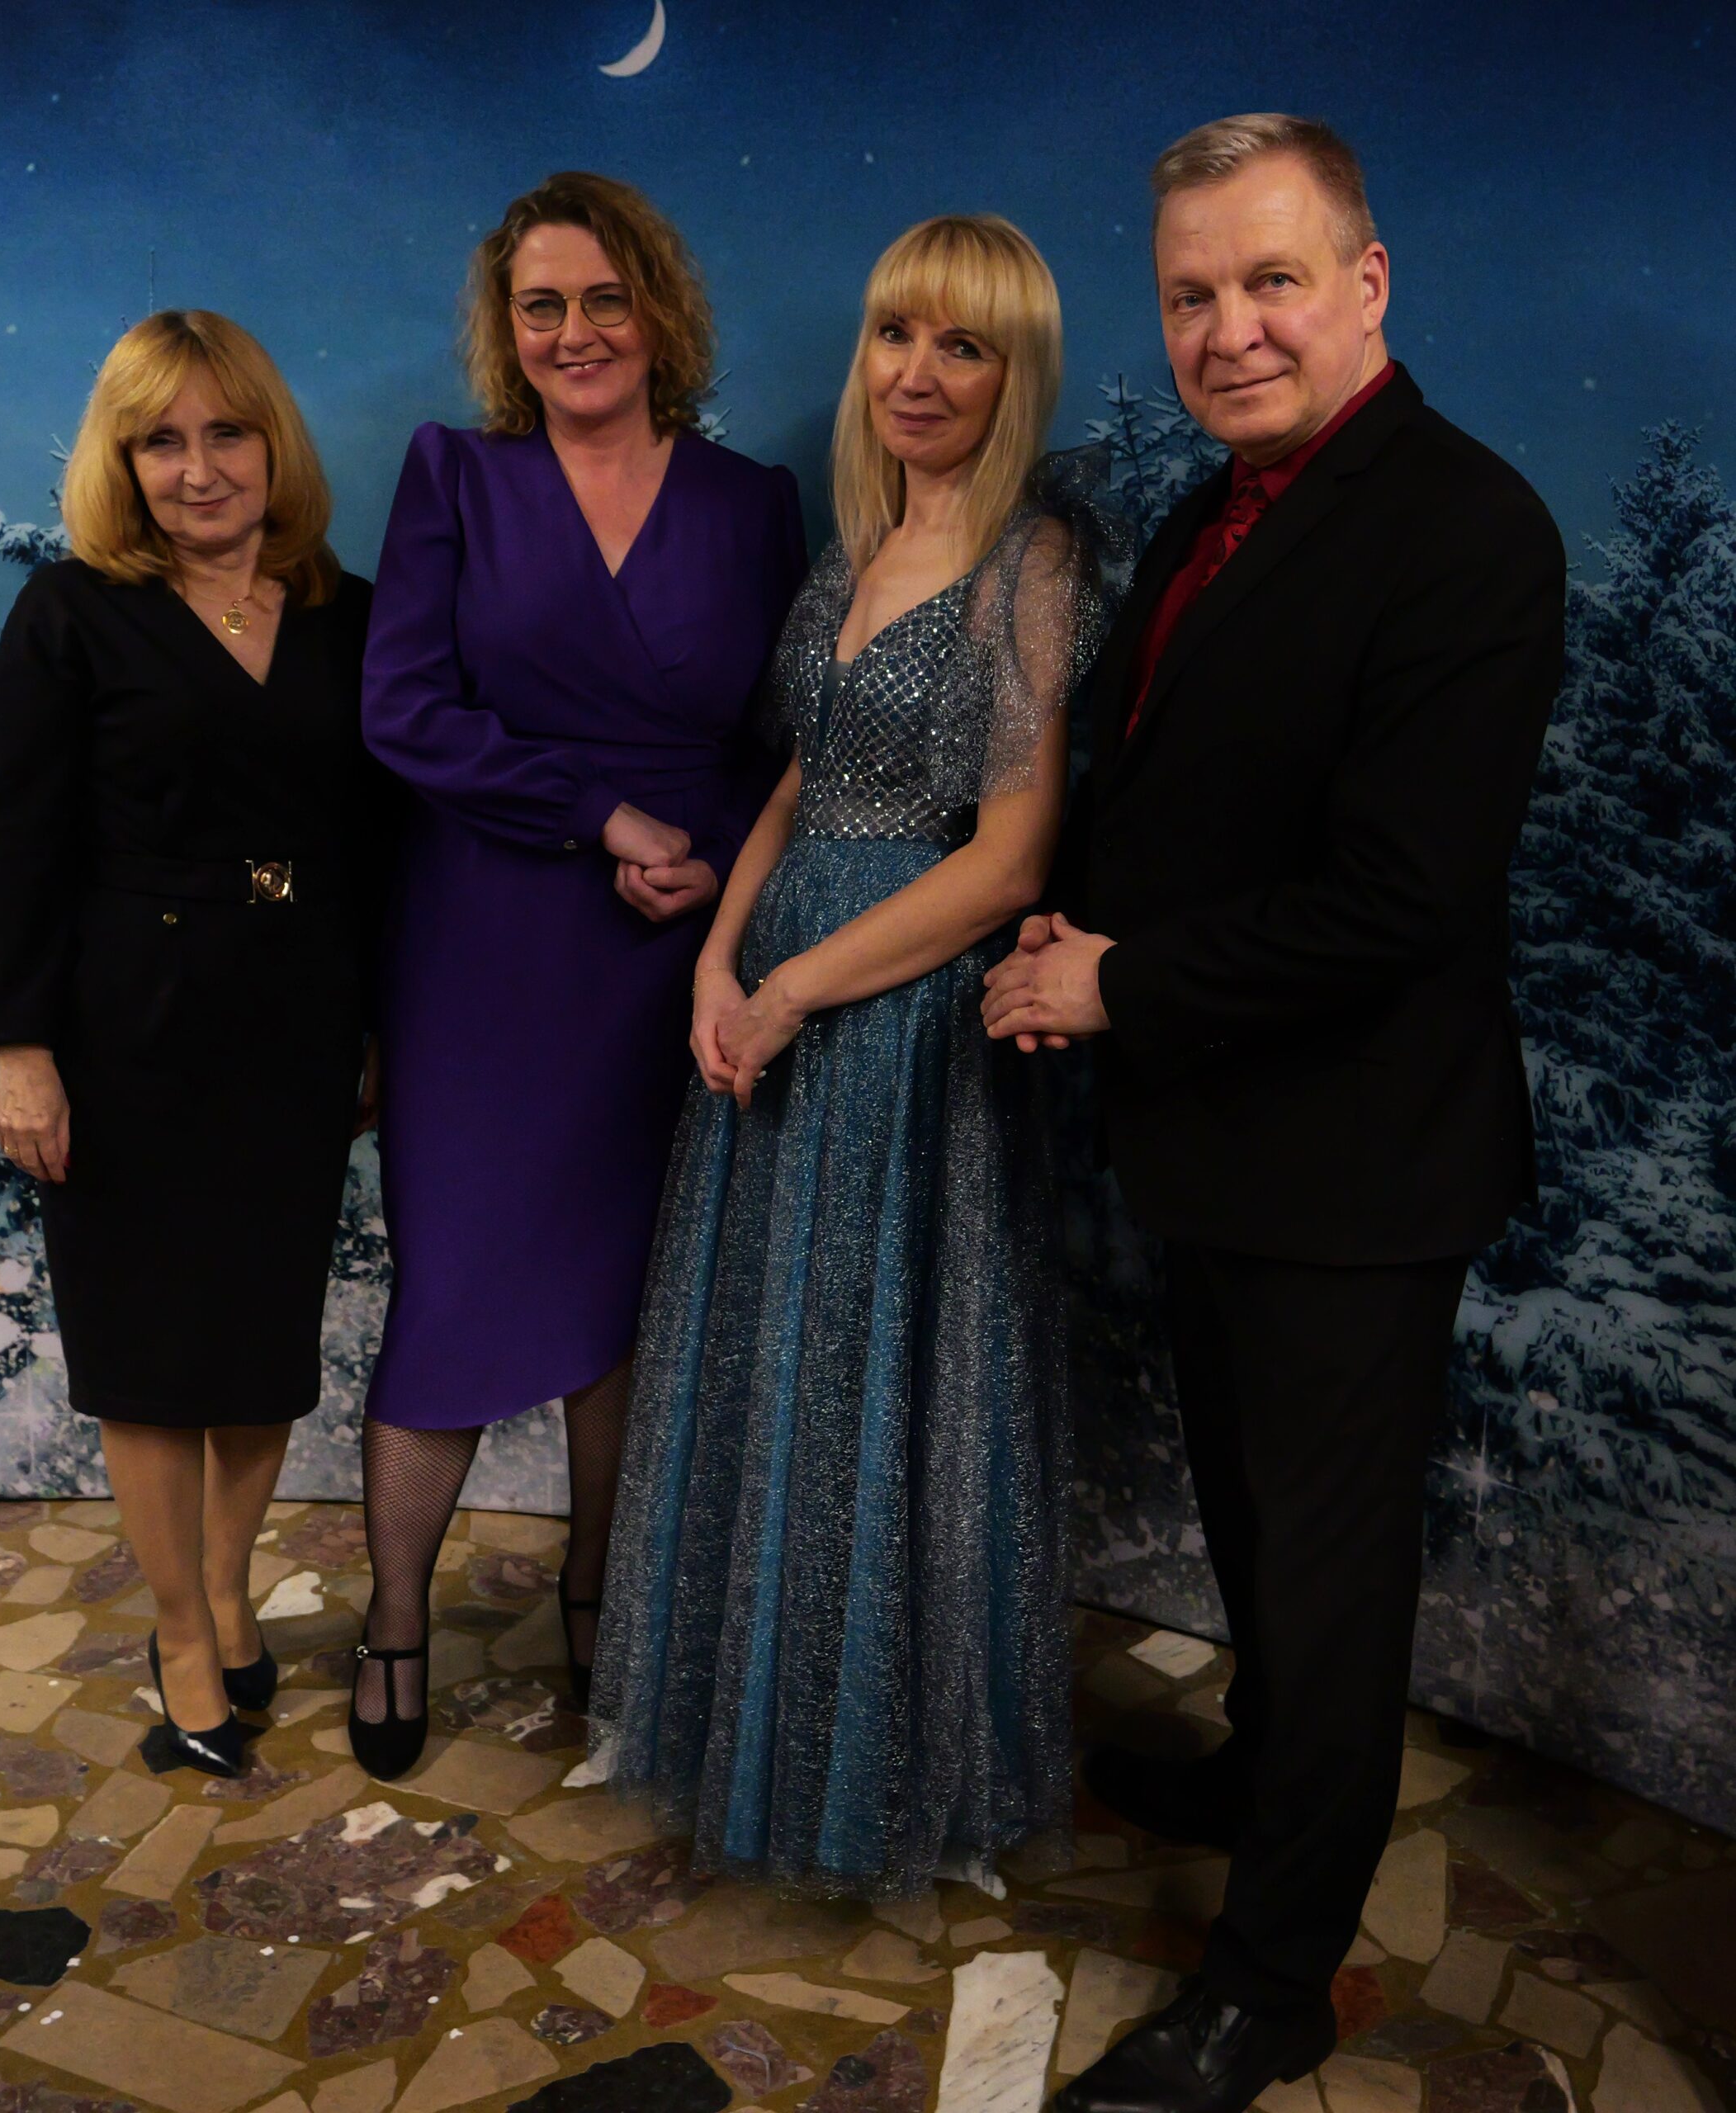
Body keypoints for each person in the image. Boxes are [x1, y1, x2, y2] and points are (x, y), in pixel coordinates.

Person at [982, 116, 1565, 2113]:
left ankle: (1270, 1977)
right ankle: (1261, 1774)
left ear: (1366, 283)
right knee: (1246, 1513)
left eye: (1269, 281)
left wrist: (1116, 981)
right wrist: (1068, 915)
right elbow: (1177, 790)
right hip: (1217, 1139)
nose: (1226, 329)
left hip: (1353, 1162)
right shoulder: (1212, 509)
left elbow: (1401, 897)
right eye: (1190, 295)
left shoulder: (1465, 527)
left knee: (1325, 1580)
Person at [587, 214, 1123, 1899]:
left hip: (902, 1025)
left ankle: (874, 1775)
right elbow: (799, 781)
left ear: (1016, 373)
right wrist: (718, 963)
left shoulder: (1033, 562)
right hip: (782, 995)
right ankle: (750, 1733)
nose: (917, 372)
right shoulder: (860, 538)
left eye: (962, 345)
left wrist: (795, 988)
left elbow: (1009, 860)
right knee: (775, 1374)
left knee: (879, 1379)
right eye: (897, 332)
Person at [351, 172, 806, 1780]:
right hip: (483, 947)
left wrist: (717, 860)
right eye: (539, 305)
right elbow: (402, 709)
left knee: (628, 1310)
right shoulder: (454, 476)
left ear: (657, 311)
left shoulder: (754, 504)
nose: (574, 332)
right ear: (506, 329)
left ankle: (602, 1604)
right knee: (454, 1294)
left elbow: (787, 739)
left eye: (604, 298)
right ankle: (393, 1621)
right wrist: (597, 813)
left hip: (671, 957)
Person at [0, 310, 384, 1776]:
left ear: (274, 445)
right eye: (162, 441)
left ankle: (224, 1585)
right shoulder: (71, 612)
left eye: (226, 433)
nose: (199, 469)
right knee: (150, 1361)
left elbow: (375, 841)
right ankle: (181, 1634)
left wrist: (376, 1024)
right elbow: (19, 845)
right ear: (123, 460)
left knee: (260, 1352)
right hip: (125, 1037)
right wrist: (23, 1052)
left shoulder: (348, 610)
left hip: (295, 1023)